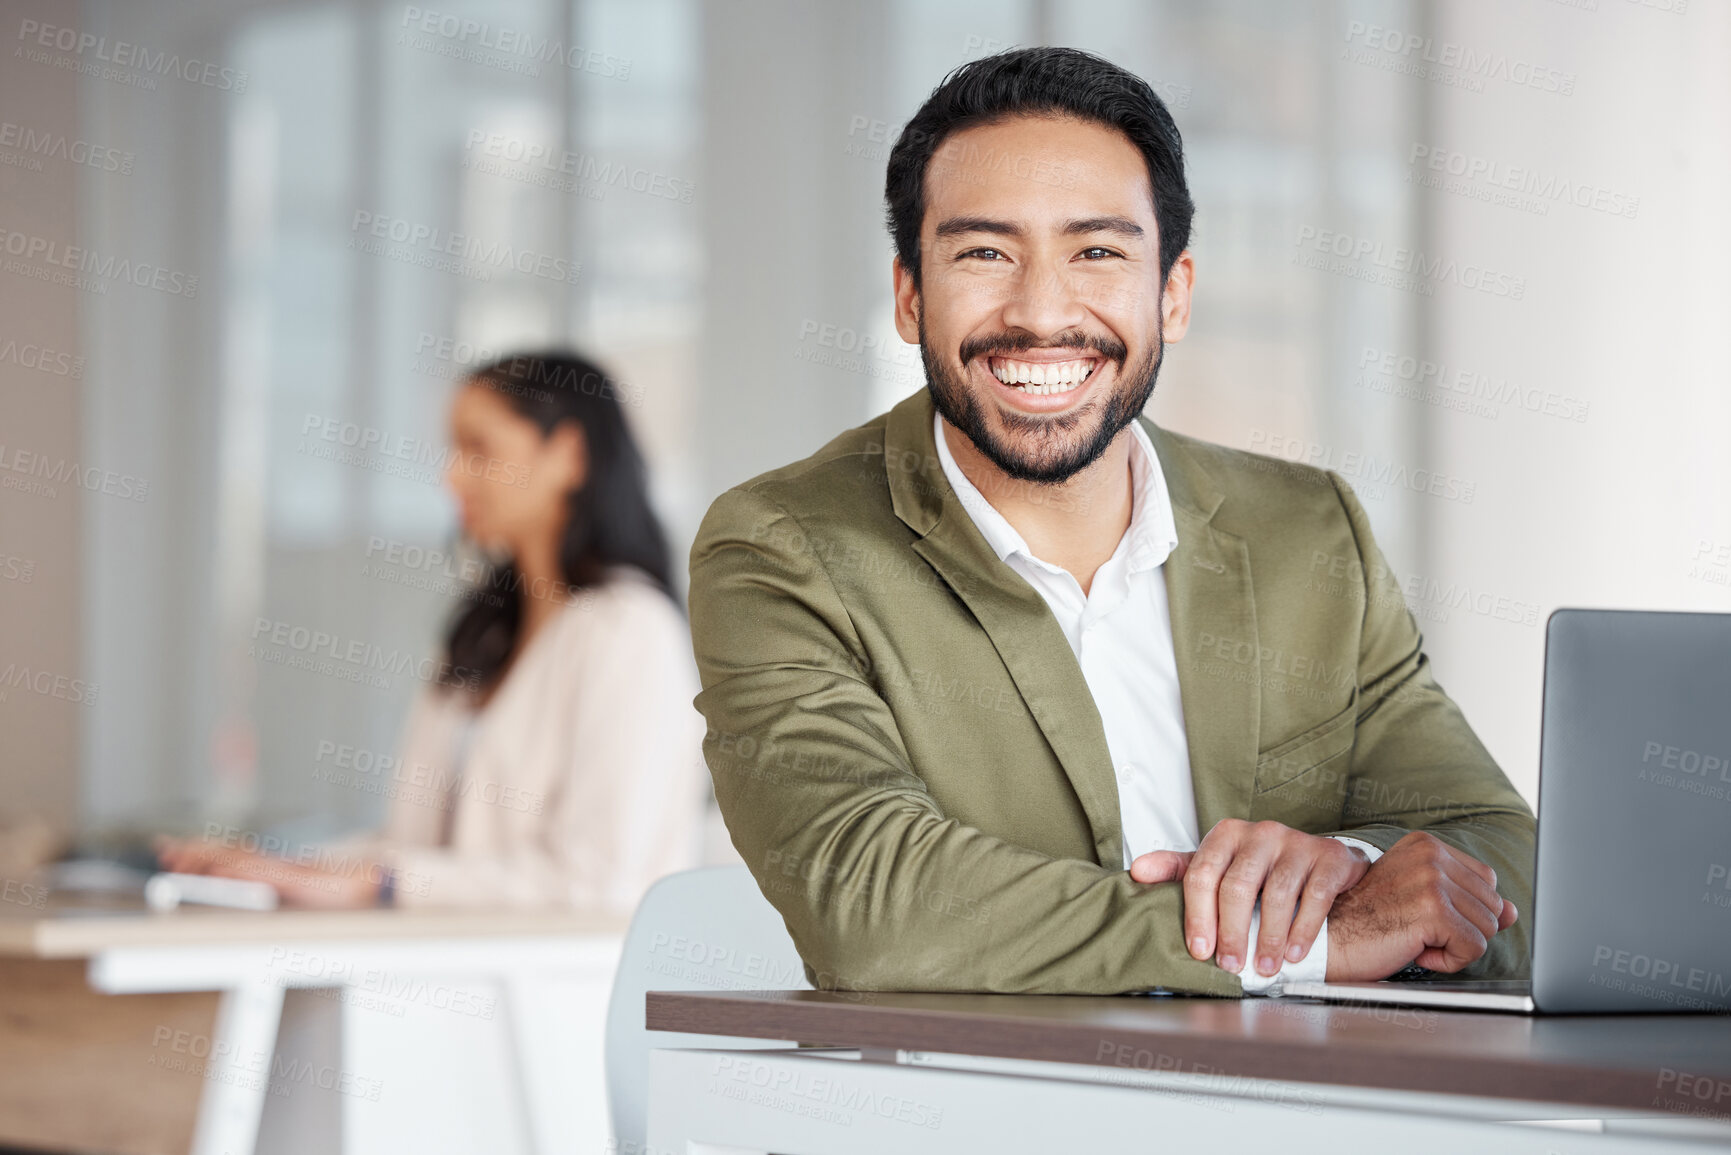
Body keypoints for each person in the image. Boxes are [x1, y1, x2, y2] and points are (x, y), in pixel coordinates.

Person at [688, 48, 1534, 996]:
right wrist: (1310, 937)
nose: (1042, 312)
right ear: (908, 297)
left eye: (1096, 251)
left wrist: (1339, 863)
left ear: (1171, 294)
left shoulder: (1309, 531)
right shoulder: (782, 548)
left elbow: (1511, 859)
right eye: (983, 253)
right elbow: (870, 902)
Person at [159, 352, 707, 914]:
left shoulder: (628, 633)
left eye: (479, 449)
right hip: (444, 972)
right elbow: (414, 852)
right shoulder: (483, 630)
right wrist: (276, 867)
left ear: (566, 454)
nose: (451, 476)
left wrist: (379, 882)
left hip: (557, 992)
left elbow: (602, 880)